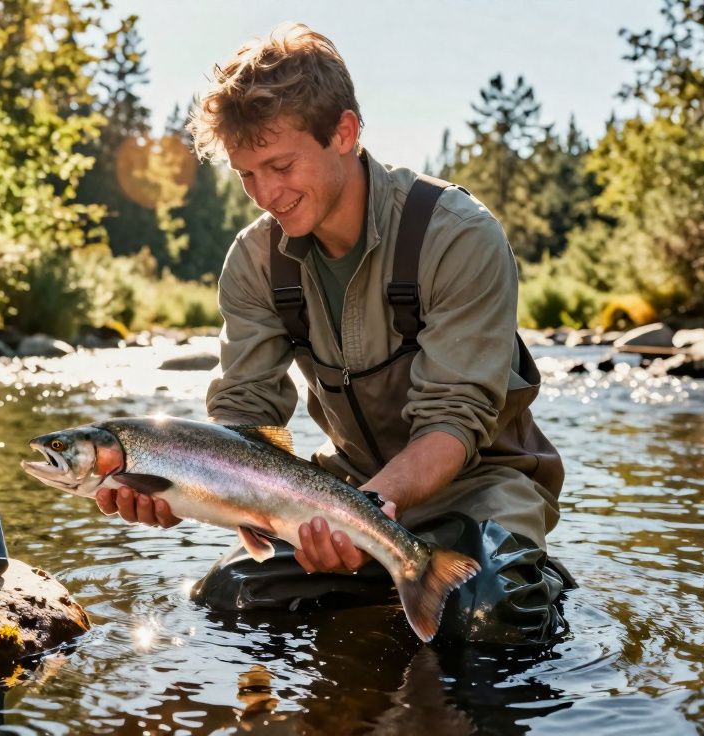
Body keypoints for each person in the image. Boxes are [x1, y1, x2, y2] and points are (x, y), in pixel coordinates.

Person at [96, 23, 571, 643]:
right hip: (340, 489)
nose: (266, 194)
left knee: (490, 619)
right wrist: (171, 489)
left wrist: (360, 515)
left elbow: (452, 422)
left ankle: (528, 576)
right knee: (232, 598)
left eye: (281, 165)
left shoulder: (456, 235)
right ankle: (394, 582)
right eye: (246, 175)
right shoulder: (255, 262)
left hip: (477, 487)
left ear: (344, 133)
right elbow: (245, 419)